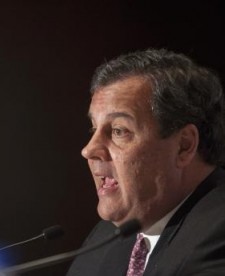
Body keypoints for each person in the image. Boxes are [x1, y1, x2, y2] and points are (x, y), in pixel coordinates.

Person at [67, 49, 225, 276]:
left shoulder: (218, 233)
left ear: (184, 146)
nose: (89, 149)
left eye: (118, 130)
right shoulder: (106, 238)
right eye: (93, 129)